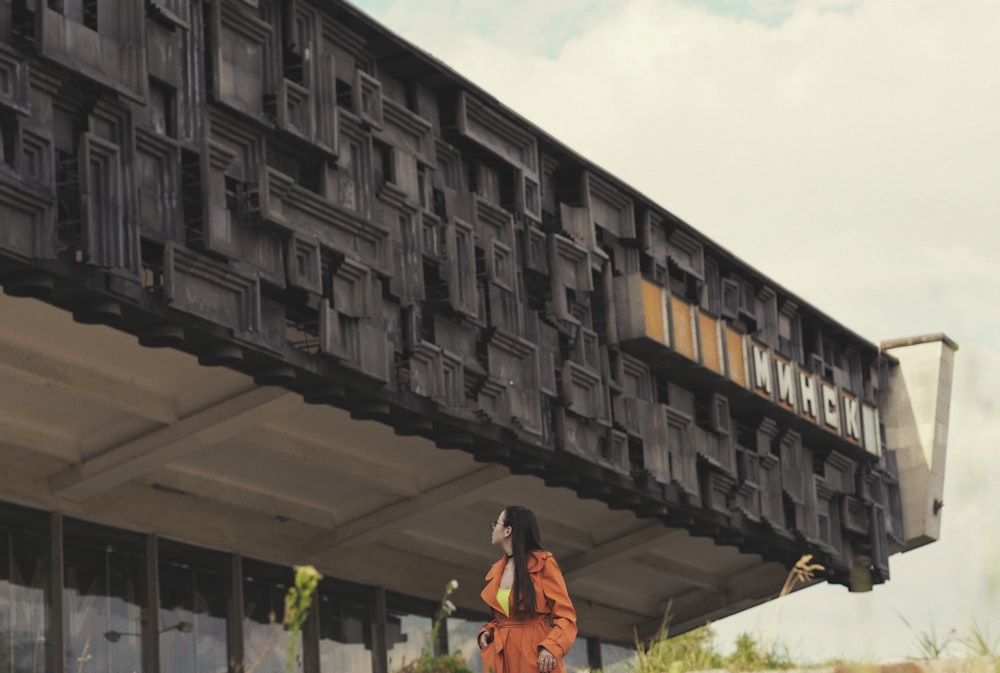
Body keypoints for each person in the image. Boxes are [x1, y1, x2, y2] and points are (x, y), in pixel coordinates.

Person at [477, 505, 577, 673]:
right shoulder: (497, 570)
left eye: (496, 524)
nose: (493, 529)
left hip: (535, 656)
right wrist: (488, 632)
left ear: (508, 531)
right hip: (502, 658)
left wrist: (551, 647)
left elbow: (566, 617)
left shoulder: (544, 563)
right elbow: (506, 617)